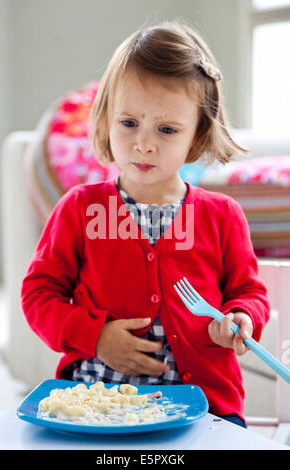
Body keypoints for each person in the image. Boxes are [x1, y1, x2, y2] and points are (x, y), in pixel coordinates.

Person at [21, 19, 270, 428]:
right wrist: (95, 337)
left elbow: (247, 291)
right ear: (106, 119)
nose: (144, 144)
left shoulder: (222, 215)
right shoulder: (80, 209)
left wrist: (242, 317)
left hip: (207, 410)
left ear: (197, 135)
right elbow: (39, 293)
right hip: (97, 402)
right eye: (129, 123)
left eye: (167, 129)